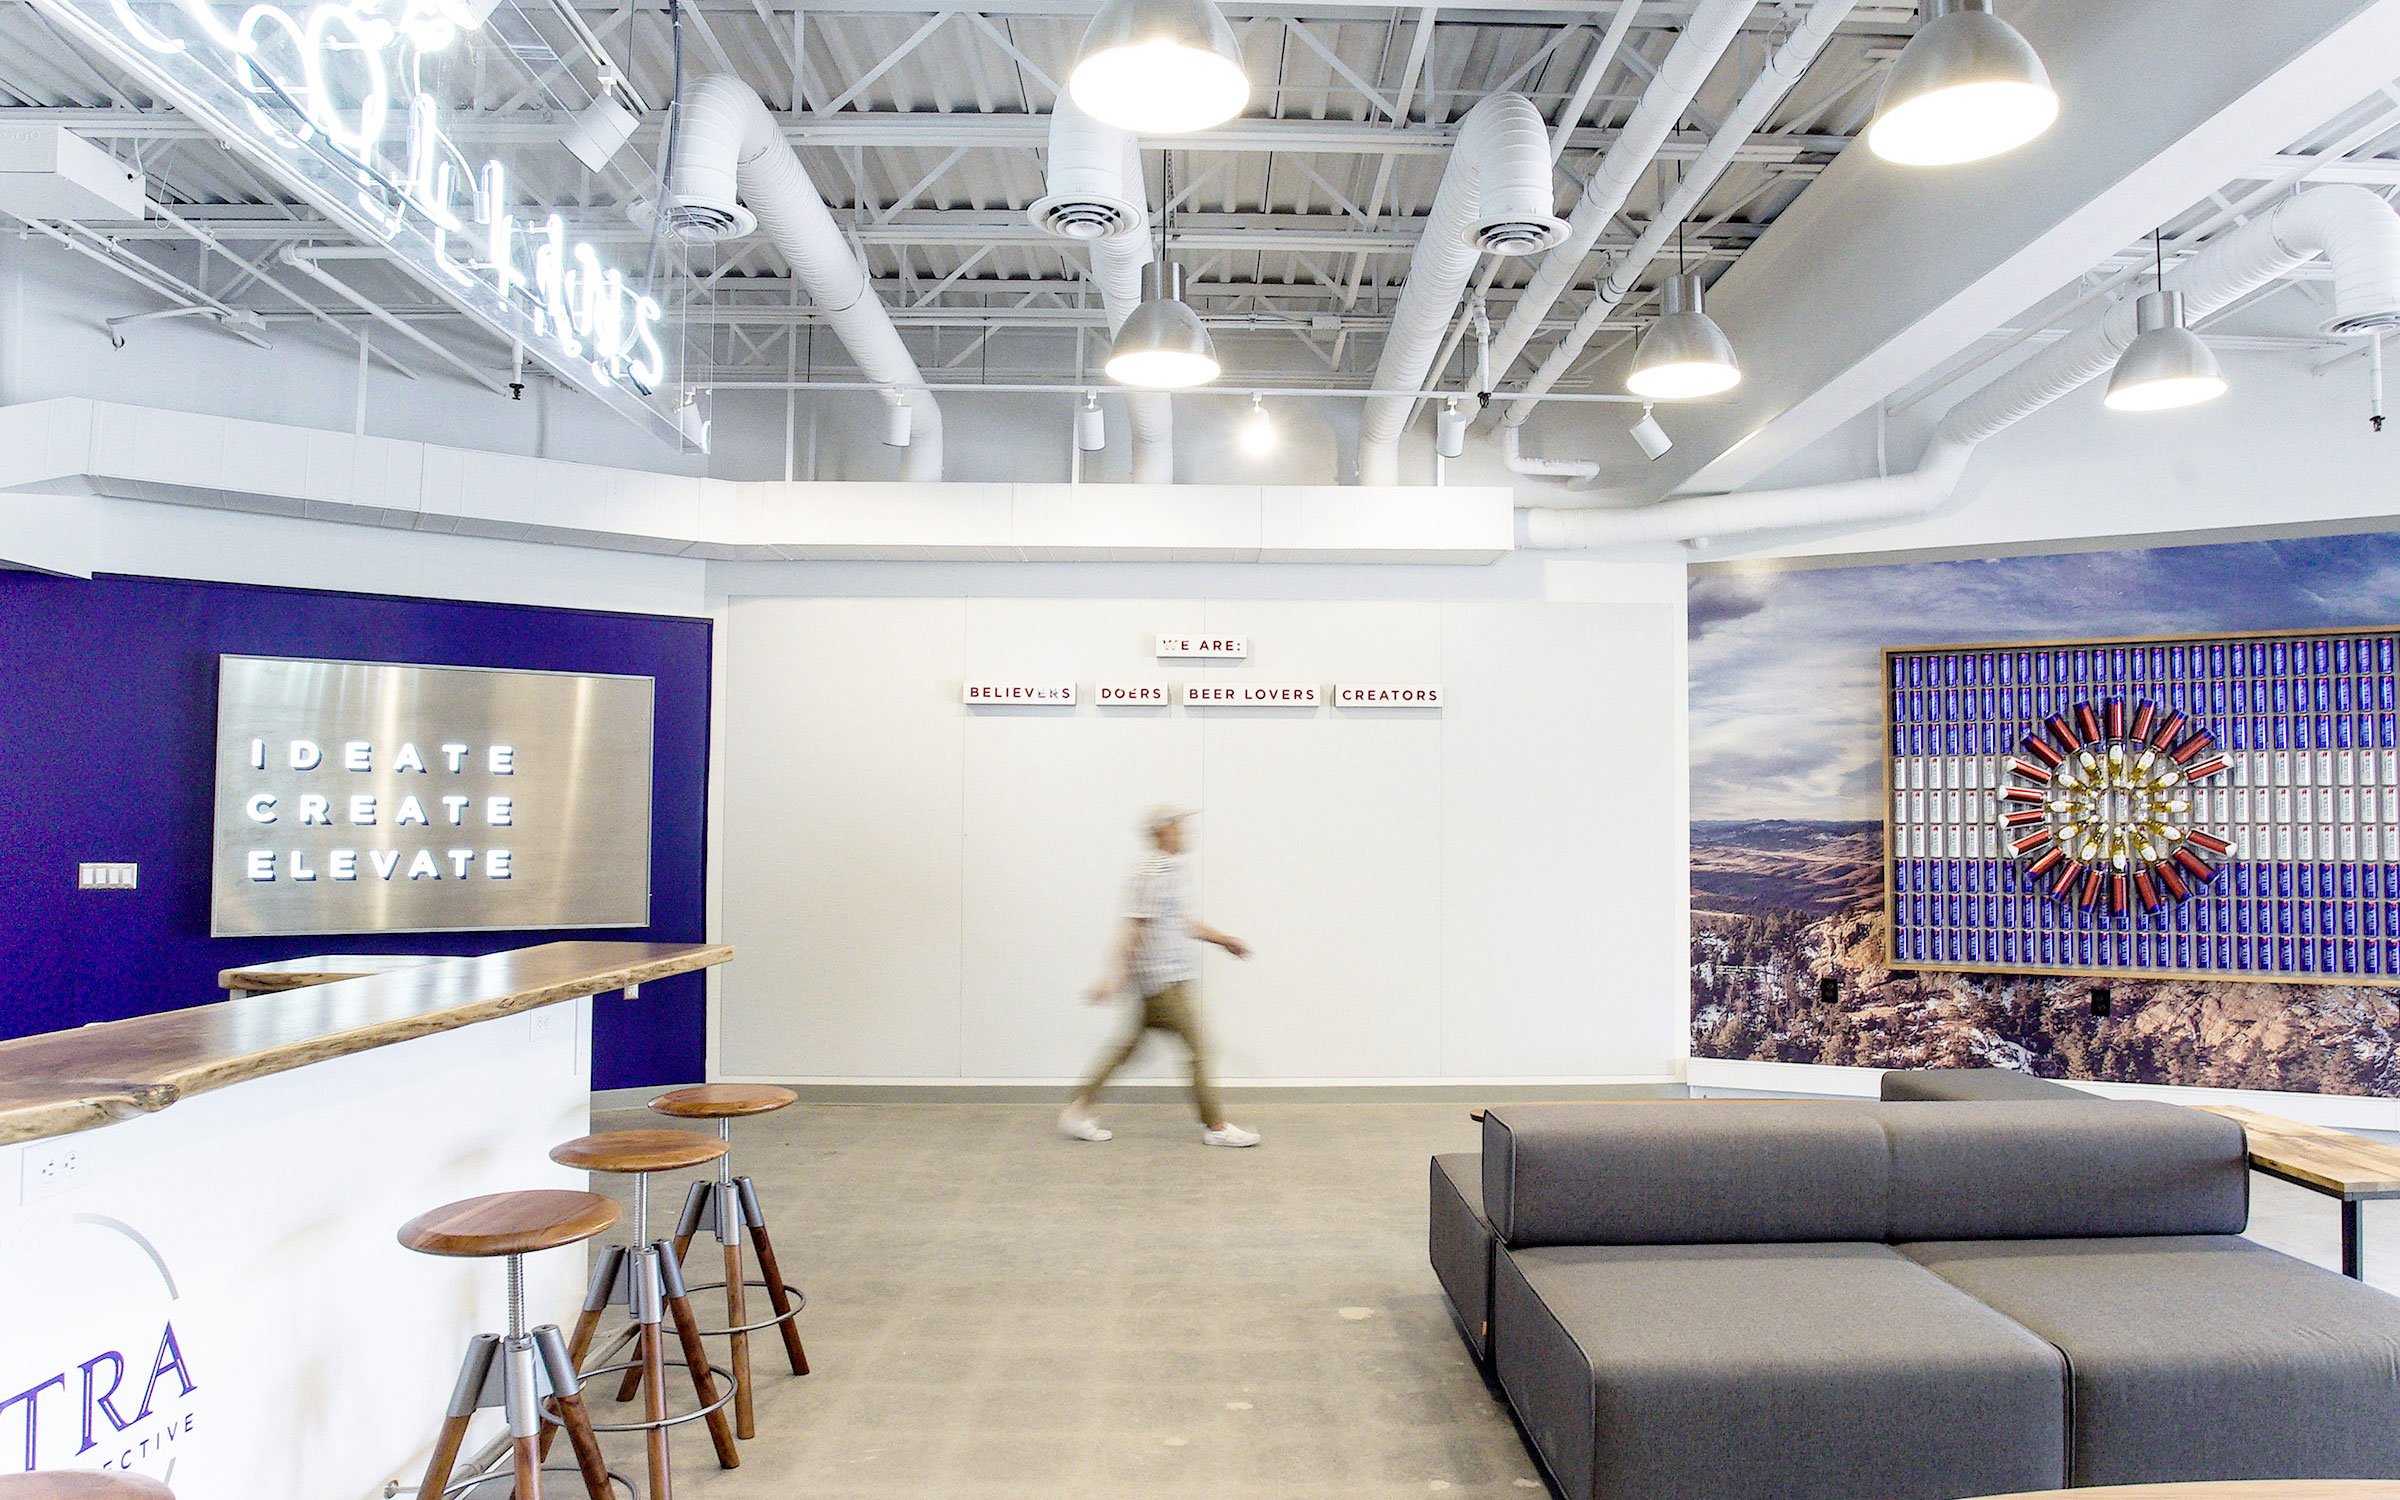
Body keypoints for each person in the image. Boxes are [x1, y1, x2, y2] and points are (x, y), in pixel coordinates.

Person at [1059, 806, 1260, 1147]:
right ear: (1161, 831)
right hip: (1161, 982)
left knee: (1127, 1048)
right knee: (1199, 1047)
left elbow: (1180, 922)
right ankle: (1216, 1126)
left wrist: (1223, 940)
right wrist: (1113, 976)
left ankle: (1078, 1109)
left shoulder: (1169, 869)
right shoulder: (1153, 871)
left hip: (1167, 979)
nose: (1184, 832)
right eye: (1178, 827)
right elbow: (1133, 926)